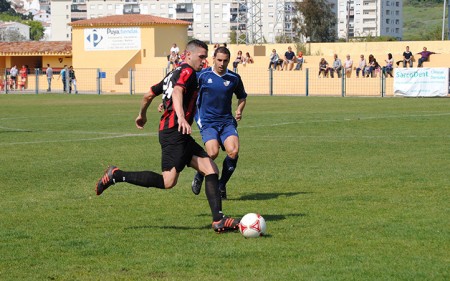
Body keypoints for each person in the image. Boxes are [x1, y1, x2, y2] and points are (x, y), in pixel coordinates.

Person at [95, 40, 240, 233]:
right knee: (168, 181)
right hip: (174, 133)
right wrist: (180, 116)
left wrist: (142, 114)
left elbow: (148, 95)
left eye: (206, 57)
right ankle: (116, 175)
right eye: (202, 57)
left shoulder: (172, 73)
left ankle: (218, 220)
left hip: (178, 132)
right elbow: (178, 91)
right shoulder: (187, 71)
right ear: (188, 55)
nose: (204, 61)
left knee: (210, 168)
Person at [191, 46, 247, 200]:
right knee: (212, 153)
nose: (222, 63)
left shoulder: (234, 78)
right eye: (219, 60)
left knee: (233, 152)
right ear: (213, 59)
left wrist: (239, 110)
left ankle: (221, 185)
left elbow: (242, 97)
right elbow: (184, 90)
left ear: (229, 61)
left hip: (227, 122)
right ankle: (200, 173)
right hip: (207, 121)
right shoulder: (202, 75)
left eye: (225, 61)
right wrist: (166, 102)